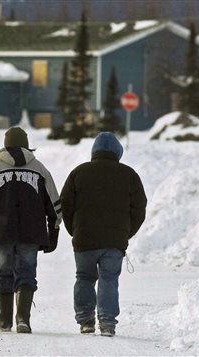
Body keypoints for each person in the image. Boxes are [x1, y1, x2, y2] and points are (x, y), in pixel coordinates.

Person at [0, 127, 62, 334]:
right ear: (27, 144)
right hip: (32, 233)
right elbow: (54, 205)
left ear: (5, 144)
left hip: (2, 232)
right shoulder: (39, 169)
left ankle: (5, 321)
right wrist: (53, 233)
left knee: (4, 273)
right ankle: (23, 319)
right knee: (27, 273)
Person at [60, 132, 147, 337]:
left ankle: (86, 321)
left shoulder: (78, 173)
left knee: (84, 278)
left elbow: (65, 205)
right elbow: (139, 209)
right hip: (114, 241)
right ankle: (107, 323)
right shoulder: (130, 175)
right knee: (109, 279)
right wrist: (125, 233)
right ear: (117, 152)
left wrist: (74, 230)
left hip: (84, 238)